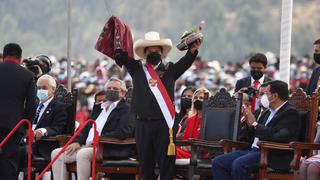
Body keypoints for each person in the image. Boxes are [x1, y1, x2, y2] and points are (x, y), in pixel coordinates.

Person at [114, 31, 202, 180]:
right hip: (142, 123)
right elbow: (123, 57)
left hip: (165, 124)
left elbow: (185, 62)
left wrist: (192, 51)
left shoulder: (170, 69)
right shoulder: (137, 68)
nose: (153, 53)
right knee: (146, 165)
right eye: (149, 50)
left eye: (156, 50)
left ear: (161, 53)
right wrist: (118, 47)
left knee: (166, 165)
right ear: (145, 53)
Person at [212, 80, 301, 180]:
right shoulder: (267, 111)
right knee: (218, 162)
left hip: (272, 154)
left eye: (266, 93)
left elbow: (278, 136)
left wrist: (255, 124)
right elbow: (253, 134)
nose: (262, 97)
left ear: (275, 96)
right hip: (253, 150)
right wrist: (249, 124)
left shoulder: (290, 113)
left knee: (239, 164)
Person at [51, 78, 136, 180]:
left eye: (115, 88)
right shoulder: (99, 108)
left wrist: (99, 139)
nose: (111, 90)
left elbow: (124, 132)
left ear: (122, 93)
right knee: (57, 153)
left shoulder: (126, 109)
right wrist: (77, 142)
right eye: (109, 88)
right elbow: (85, 128)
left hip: (108, 148)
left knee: (83, 154)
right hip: (87, 146)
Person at [0, 43, 37, 179]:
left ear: (4, 55)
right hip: (14, 126)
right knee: (9, 162)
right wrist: (27, 126)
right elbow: (32, 104)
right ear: (20, 58)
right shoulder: (27, 75)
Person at [32, 74, 68, 161]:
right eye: (39, 88)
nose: (41, 91)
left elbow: (57, 128)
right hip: (27, 140)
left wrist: (42, 131)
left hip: (43, 145)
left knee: (20, 152)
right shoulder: (33, 104)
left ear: (53, 90)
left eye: (44, 88)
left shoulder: (59, 107)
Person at [176, 87, 211, 159]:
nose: (197, 100)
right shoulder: (190, 119)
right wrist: (184, 146)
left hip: (200, 154)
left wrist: (193, 146)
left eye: (201, 98)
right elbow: (185, 140)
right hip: (187, 152)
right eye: (195, 98)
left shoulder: (210, 120)